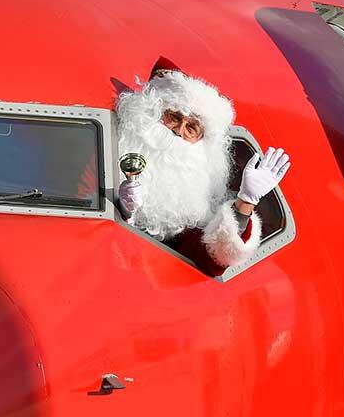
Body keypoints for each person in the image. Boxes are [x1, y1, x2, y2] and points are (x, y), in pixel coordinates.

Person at [114, 59, 290, 274]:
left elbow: (211, 262)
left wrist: (246, 201)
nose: (179, 131)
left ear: (202, 140)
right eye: (174, 117)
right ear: (154, 113)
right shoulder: (114, 146)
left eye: (192, 128)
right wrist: (118, 209)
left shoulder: (195, 198)